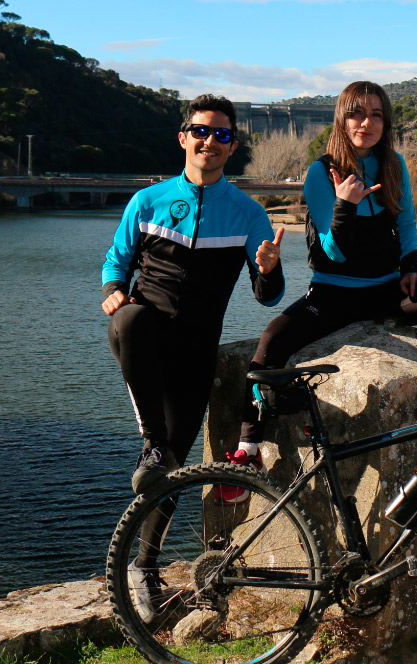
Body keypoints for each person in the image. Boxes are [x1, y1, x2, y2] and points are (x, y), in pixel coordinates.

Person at [229, 81, 417, 469]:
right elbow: (333, 253)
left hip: (388, 288)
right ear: (342, 119)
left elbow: (406, 220)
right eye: (357, 113)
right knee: (271, 340)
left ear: (385, 122)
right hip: (333, 294)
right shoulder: (321, 172)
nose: (366, 123)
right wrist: (344, 205)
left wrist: (410, 268)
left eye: (376, 115)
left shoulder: (393, 164)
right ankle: (248, 451)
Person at [101, 93, 285, 495]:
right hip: (143, 338)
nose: (210, 141)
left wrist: (270, 269)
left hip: (196, 351)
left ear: (232, 147)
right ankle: (154, 443)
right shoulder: (147, 201)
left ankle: (145, 560)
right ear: (183, 138)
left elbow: (268, 297)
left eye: (221, 134)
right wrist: (114, 290)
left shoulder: (248, 213)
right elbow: (117, 261)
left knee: (172, 470)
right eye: (200, 131)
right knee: (130, 317)